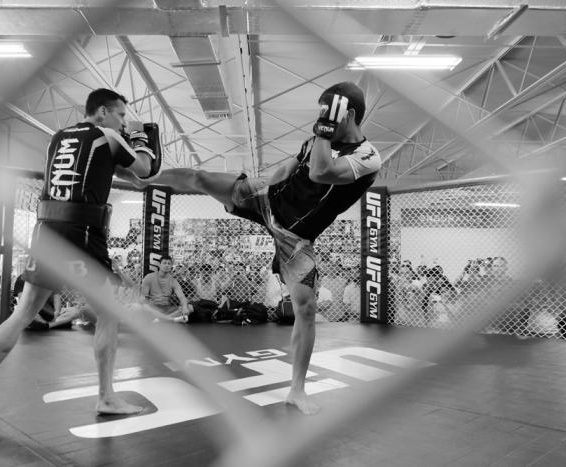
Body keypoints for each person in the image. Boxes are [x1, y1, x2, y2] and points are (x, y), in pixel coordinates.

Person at [127, 81, 381, 414]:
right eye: (320, 113)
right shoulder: (314, 141)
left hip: (296, 235)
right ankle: (145, 178)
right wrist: (253, 187)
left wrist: (323, 130)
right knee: (202, 178)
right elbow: (289, 169)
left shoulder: (367, 157)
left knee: (305, 309)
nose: (320, 119)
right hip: (269, 199)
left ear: (346, 115)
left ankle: (296, 390)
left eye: (326, 112)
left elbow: (321, 173)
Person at [0, 88, 162, 416]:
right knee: (109, 312)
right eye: (121, 114)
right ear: (102, 111)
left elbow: (106, 173)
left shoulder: (57, 137)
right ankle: (106, 397)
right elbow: (144, 169)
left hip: (46, 229)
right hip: (81, 230)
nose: (122, 121)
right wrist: (140, 136)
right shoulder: (107, 134)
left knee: (23, 312)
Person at [141, 255, 192, 323]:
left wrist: (185, 307)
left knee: (190, 307)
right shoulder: (149, 277)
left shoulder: (173, 281)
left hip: (167, 308)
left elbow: (182, 297)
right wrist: (148, 305)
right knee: (143, 306)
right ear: (159, 265)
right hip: (153, 307)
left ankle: (161, 320)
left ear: (171, 266)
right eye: (164, 263)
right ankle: (171, 319)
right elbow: (143, 297)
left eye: (169, 263)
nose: (167, 265)